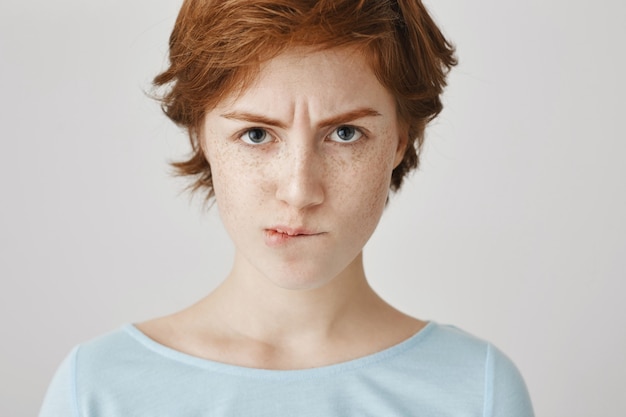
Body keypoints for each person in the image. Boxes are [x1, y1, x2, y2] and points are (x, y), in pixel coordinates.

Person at [39, 0, 534, 416]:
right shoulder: (97, 391)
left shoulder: (477, 391)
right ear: (202, 137)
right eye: (256, 135)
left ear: (399, 141)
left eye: (345, 134)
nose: (300, 191)